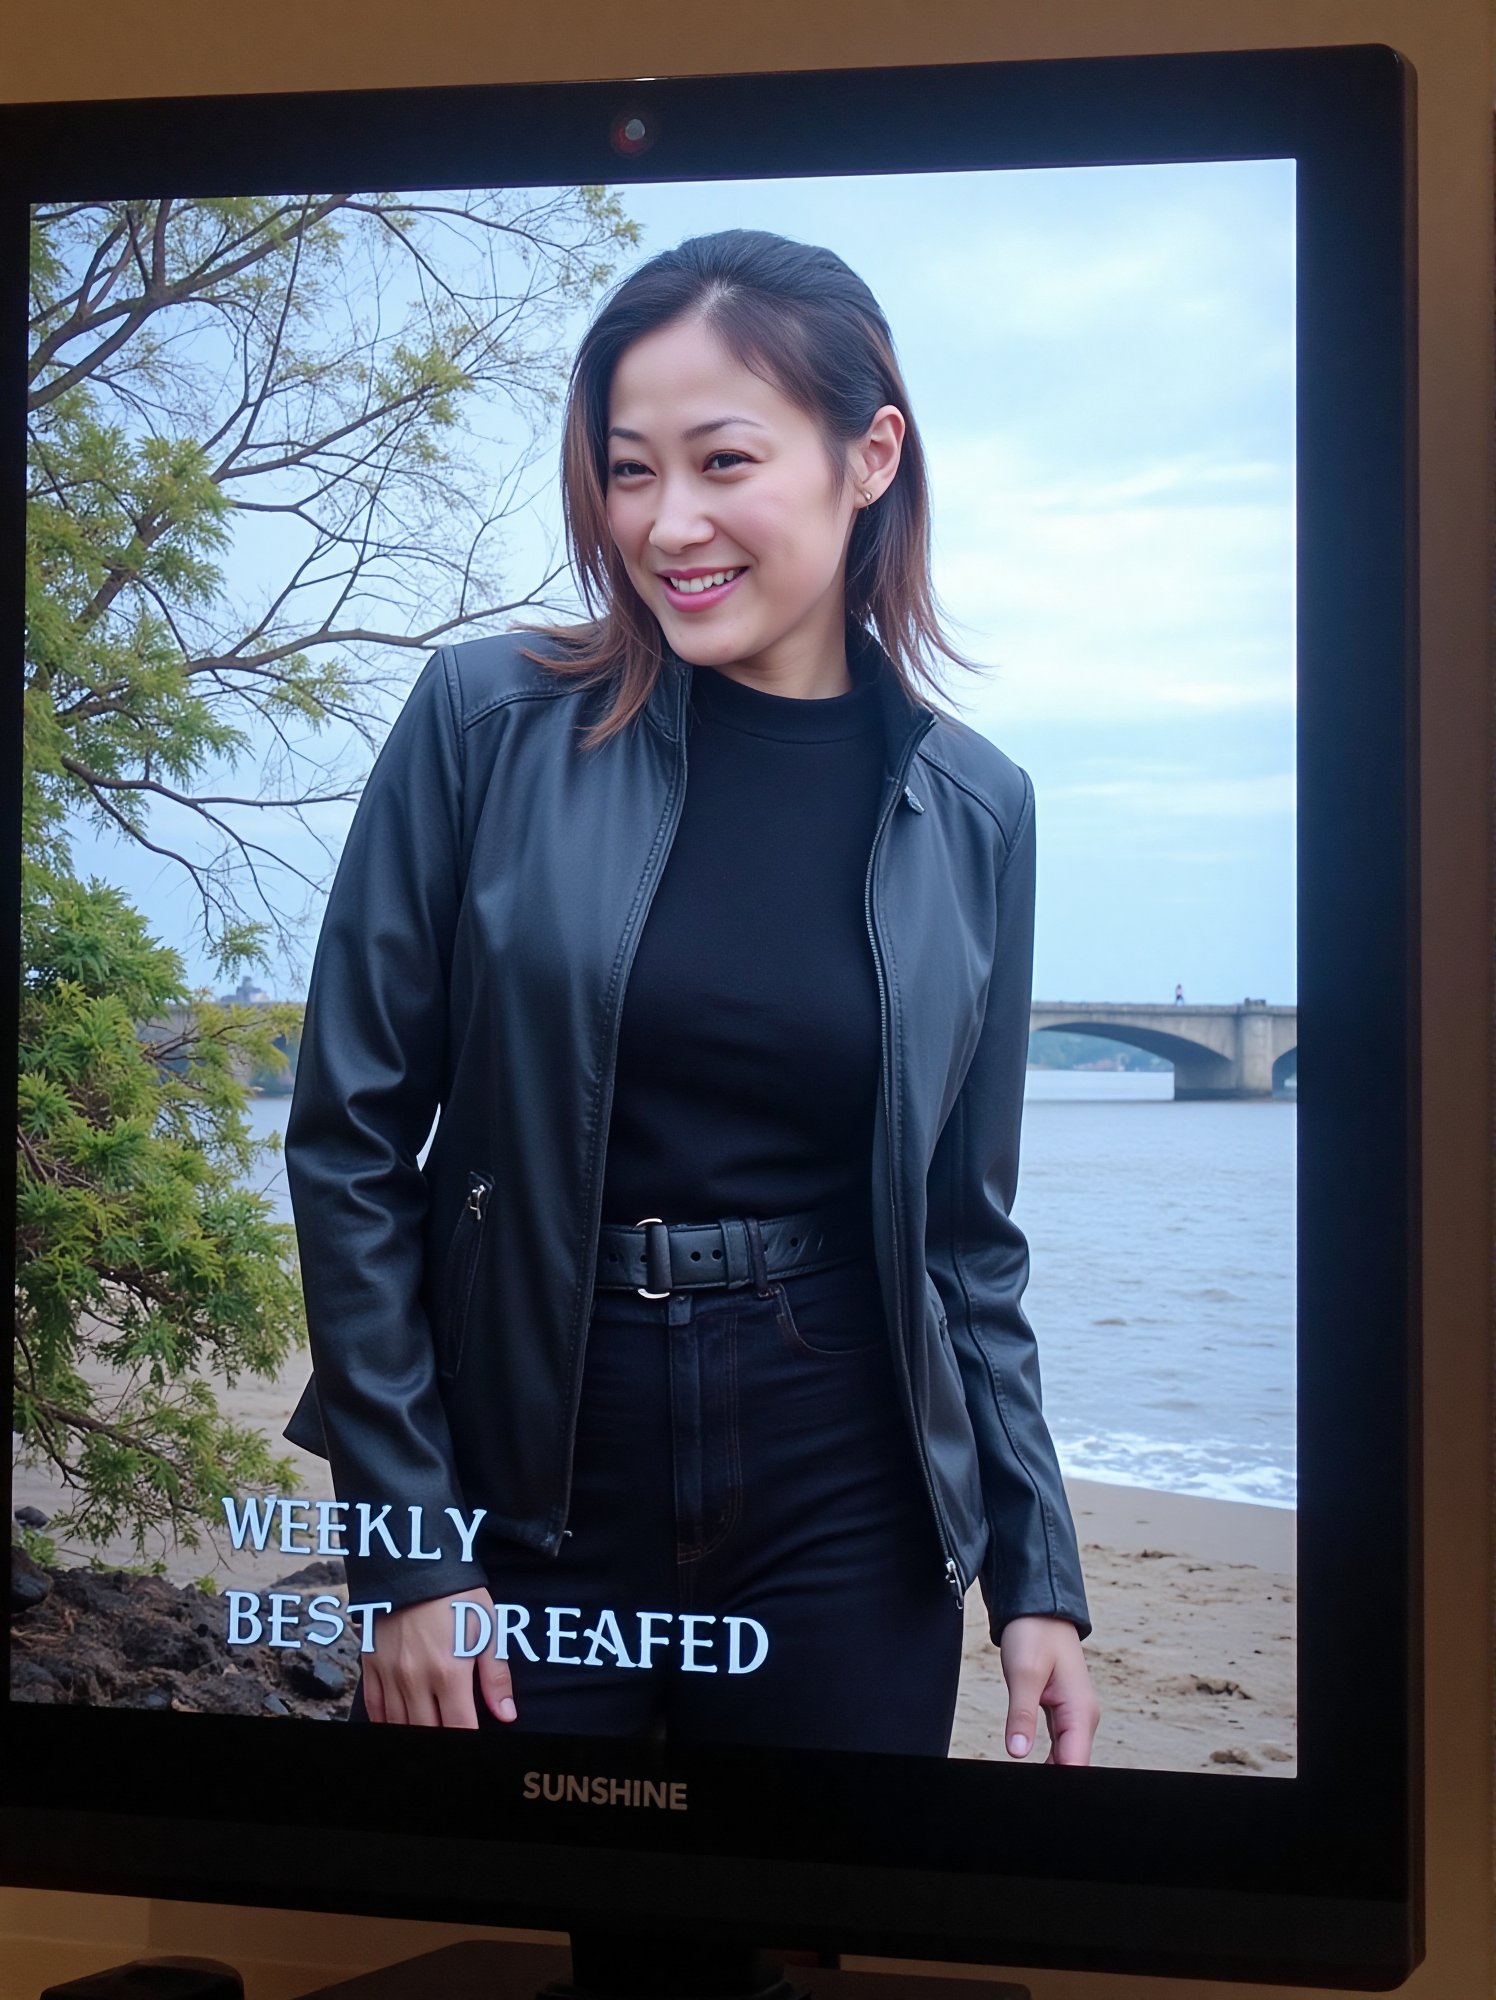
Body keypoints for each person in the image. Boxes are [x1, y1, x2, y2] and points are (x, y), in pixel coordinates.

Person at [282, 228, 1097, 1765]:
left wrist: (1034, 1576)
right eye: (630, 470)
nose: (669, 525)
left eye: (723, 461)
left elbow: (966, 1240)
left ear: (871, 456)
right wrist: (409, 1544)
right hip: (530, 1472)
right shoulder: (485, 723)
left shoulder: (976, 808)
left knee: (809, 1918)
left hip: (846, 1486)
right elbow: (348, 1144)